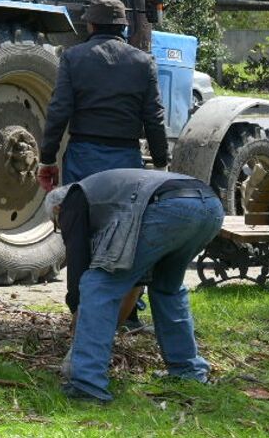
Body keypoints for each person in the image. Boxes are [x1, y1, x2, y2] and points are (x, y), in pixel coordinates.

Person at [47, 168, 224, 402]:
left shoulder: (72, 199)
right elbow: (134, 278)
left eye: (58, 224)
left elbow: (78, 259)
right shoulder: (105, 192)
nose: (63, 228)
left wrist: (77, 306)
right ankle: (187, 370)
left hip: (170, 207)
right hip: (210, 206)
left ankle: (87, 383)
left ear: (58, 210)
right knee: (167, 288)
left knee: (97, 283)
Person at [36, 0, 169, 194]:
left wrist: (47, 159)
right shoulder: (144, 62)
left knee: (79, 219)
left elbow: (59, 110)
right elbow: (154, 117)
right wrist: (160, 162)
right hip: (126, 161)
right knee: (123, 220)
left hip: (82, 159)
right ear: (122, 27)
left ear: (91, 25)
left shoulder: (72, 58)